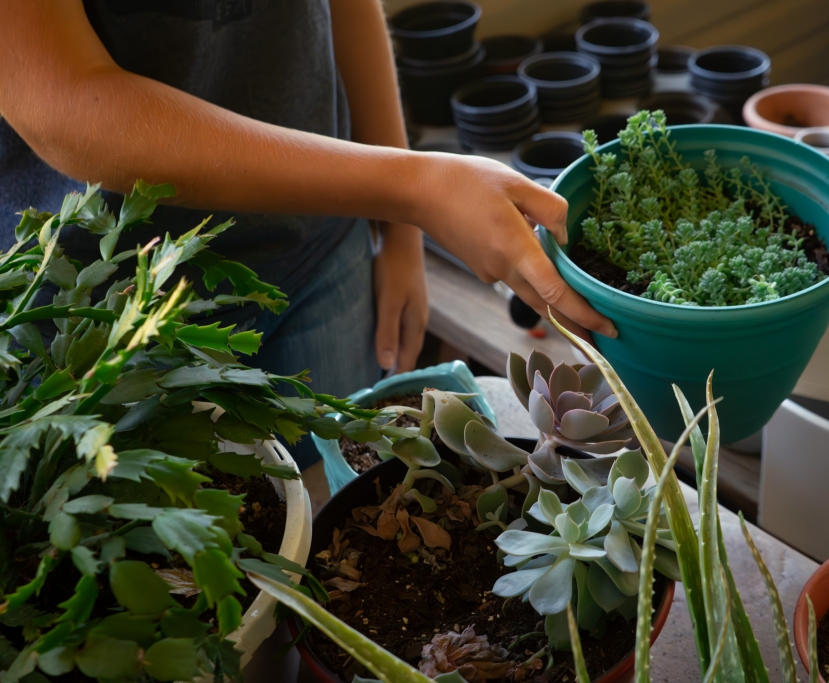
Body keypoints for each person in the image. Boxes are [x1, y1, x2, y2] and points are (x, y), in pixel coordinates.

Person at [0, 0, 616, 468]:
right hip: (102, 310)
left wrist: (400, 228)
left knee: (335, 521)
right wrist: (412, 190)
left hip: (318, 257)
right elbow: (66, 102)